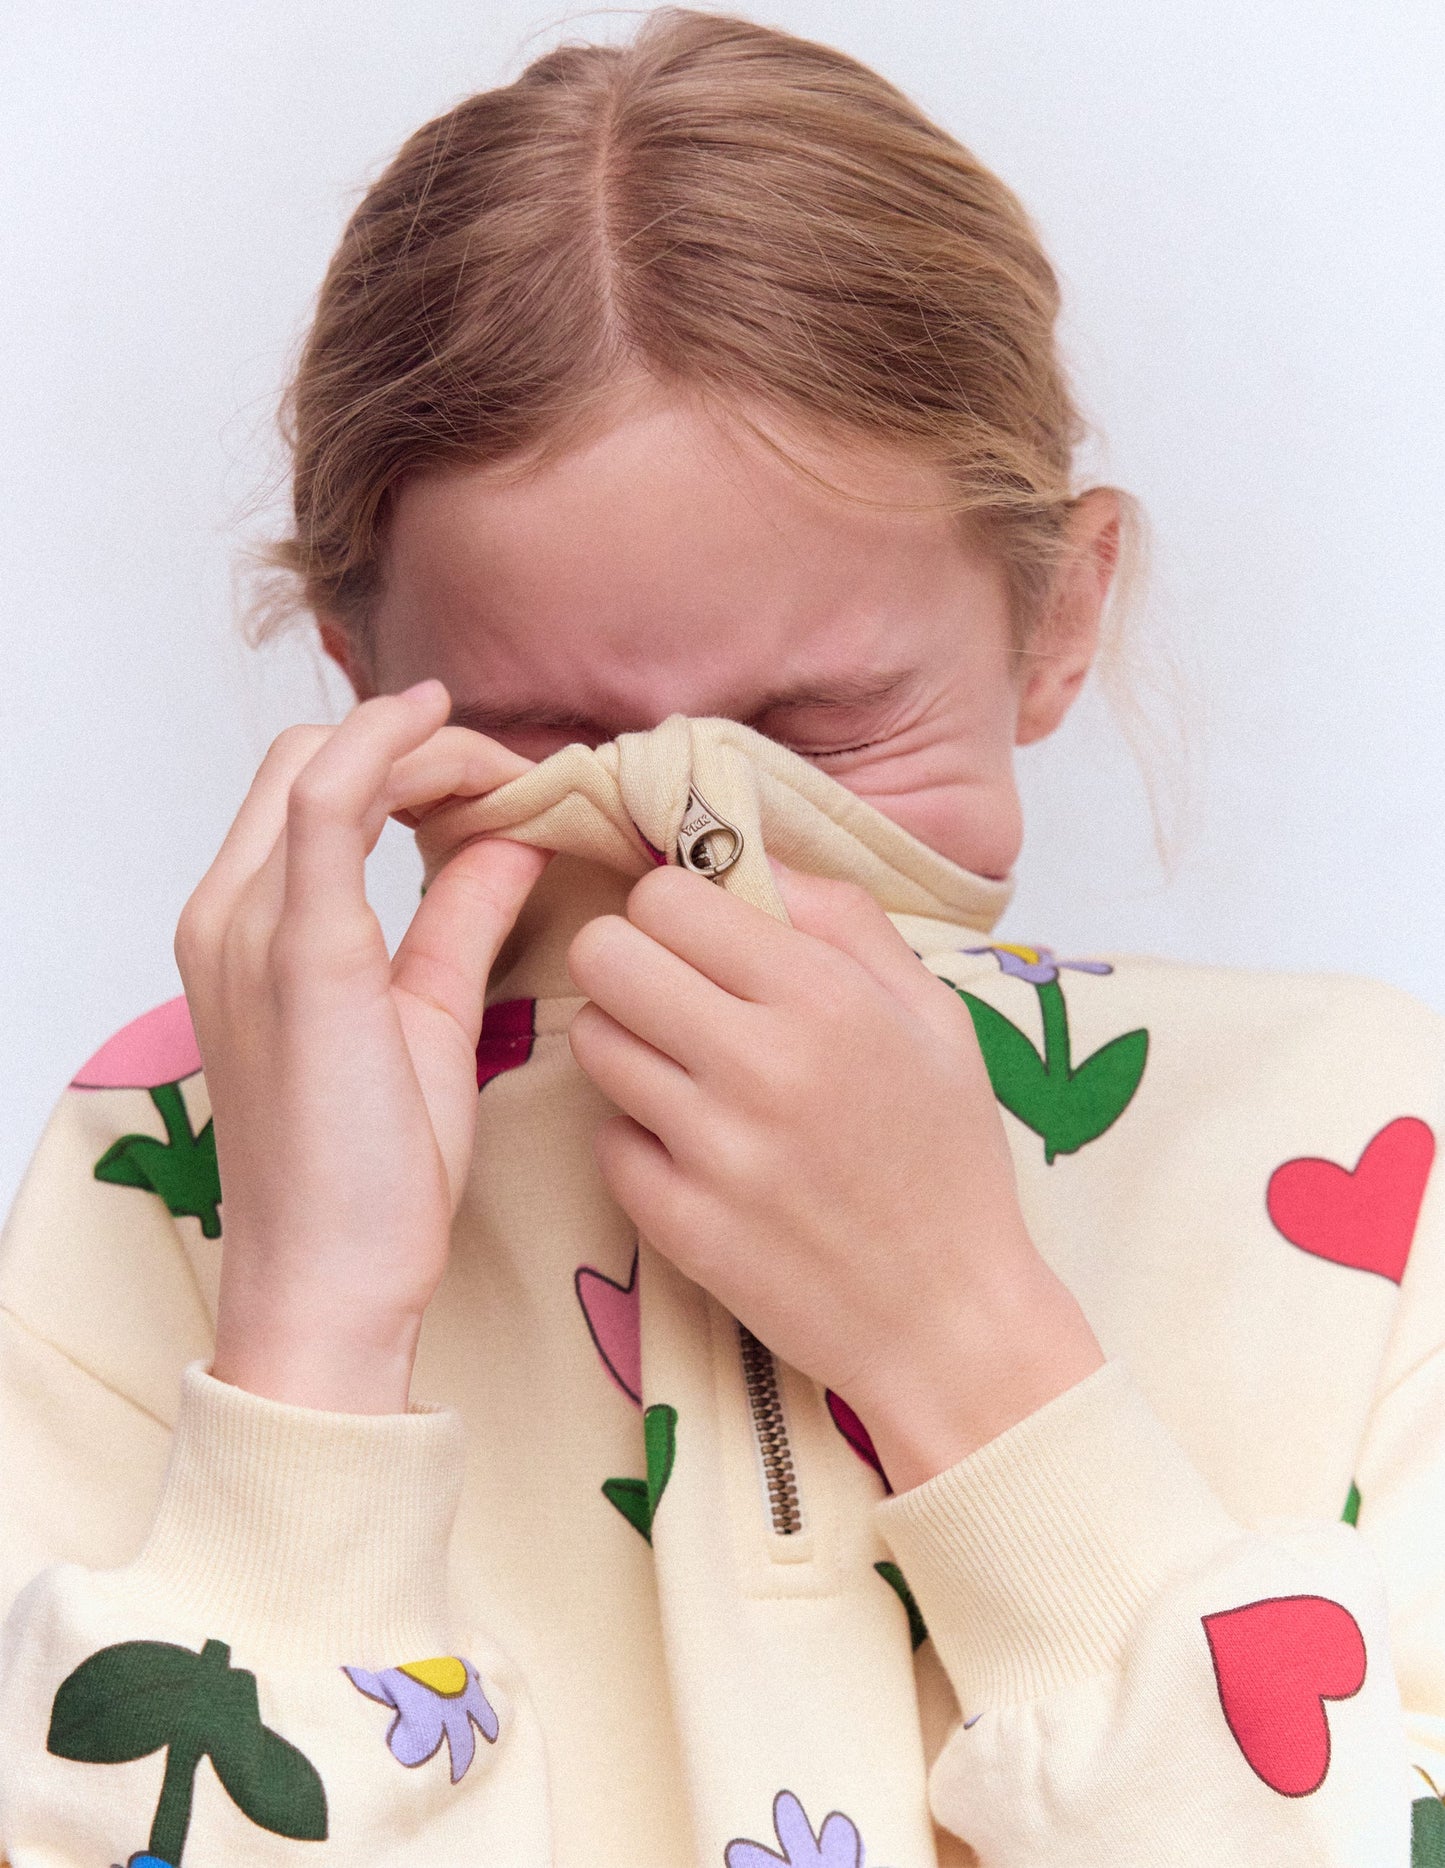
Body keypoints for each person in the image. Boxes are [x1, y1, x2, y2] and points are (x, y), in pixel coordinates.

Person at [1, 10, 1441, 1865]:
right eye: (537, 742)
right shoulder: (166, 1183)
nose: (683, 851)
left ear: (1058, 618)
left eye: (821, 735)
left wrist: (977, 1357)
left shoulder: (1361, 1142)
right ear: (358, 676)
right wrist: (308, 1353)